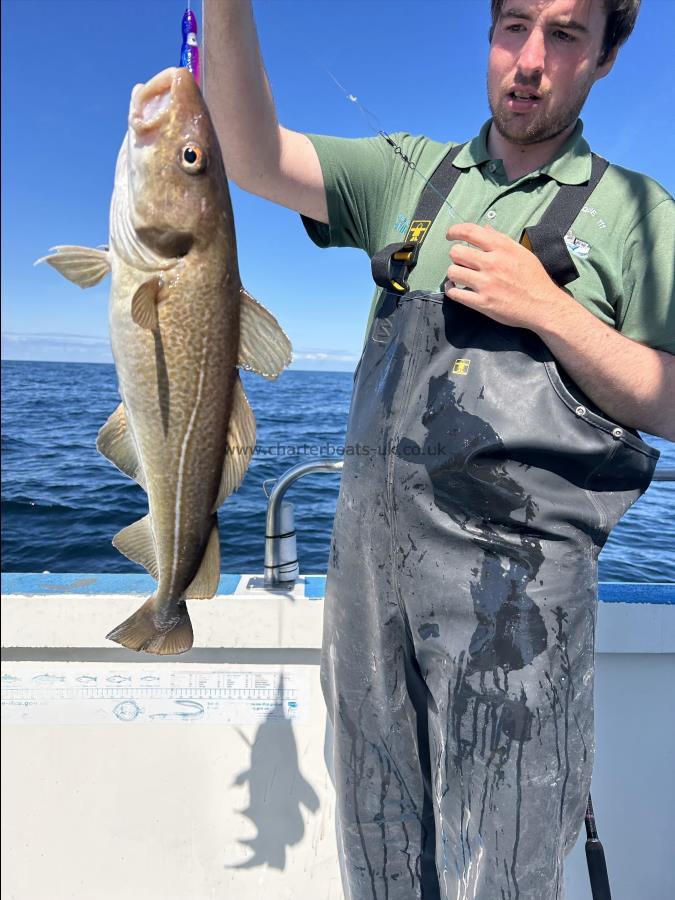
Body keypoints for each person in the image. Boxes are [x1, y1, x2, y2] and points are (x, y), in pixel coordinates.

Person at [205, 1, 674, 897]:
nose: (530, 59)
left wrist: (547, 309)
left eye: (566, 34)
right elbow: (252, 153)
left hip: (520, 616)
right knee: (375, 857)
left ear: (606, 58)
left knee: (497, 875)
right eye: (513, 26)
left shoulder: (636, 215)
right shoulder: (410, 175)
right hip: (366, 594)